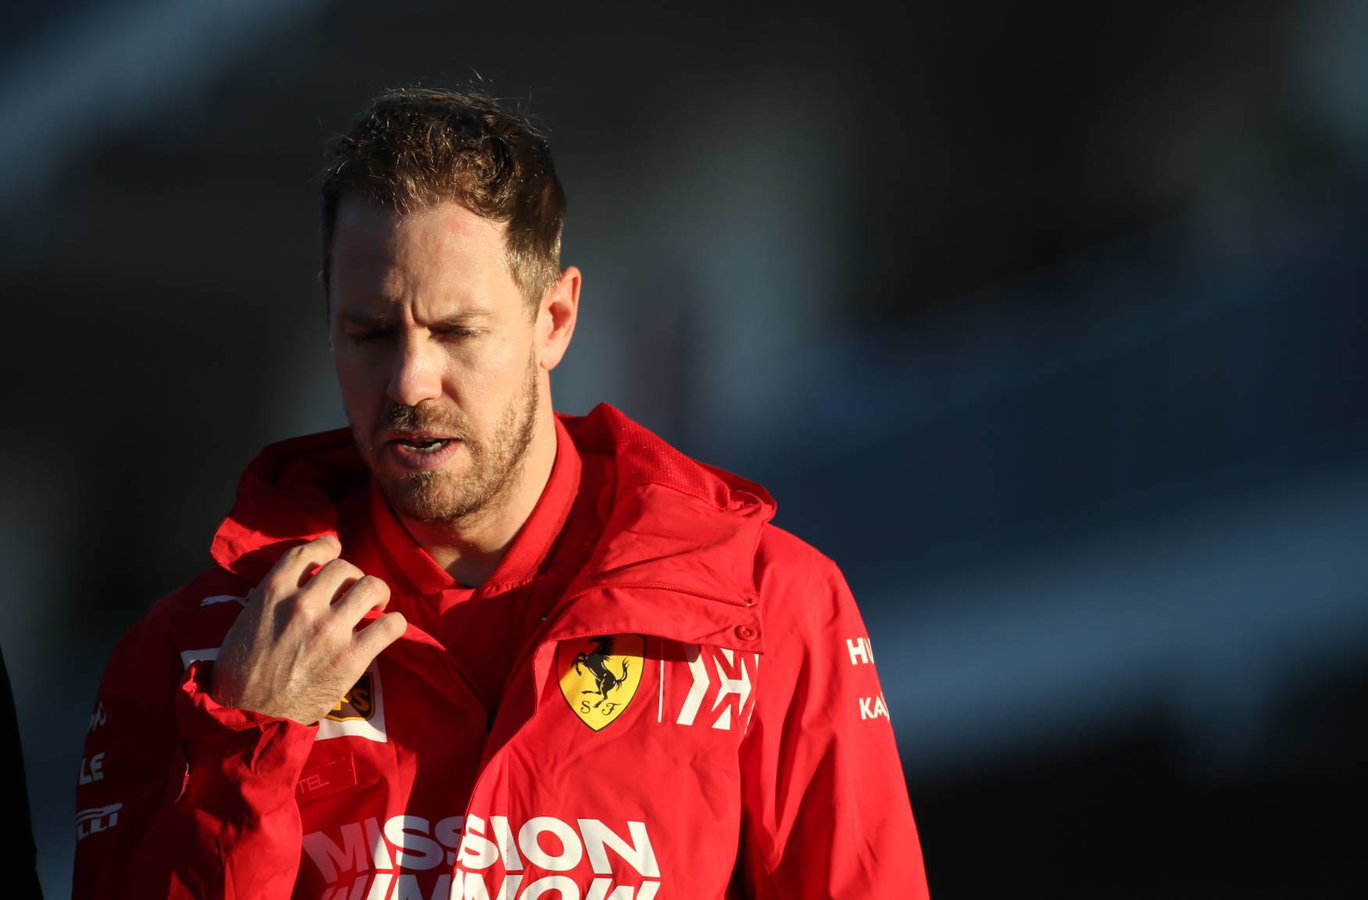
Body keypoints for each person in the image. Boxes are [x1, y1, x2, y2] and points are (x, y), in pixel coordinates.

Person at [73, 88, 927, 900]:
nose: (410, 381)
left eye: (457, 332)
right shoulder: (196, 650)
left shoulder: (766, 610)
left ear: (553, 321)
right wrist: (243, 743)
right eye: (370, 333)